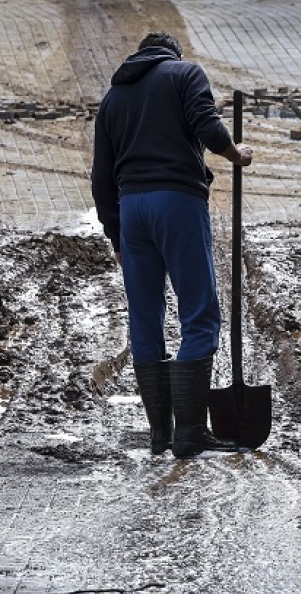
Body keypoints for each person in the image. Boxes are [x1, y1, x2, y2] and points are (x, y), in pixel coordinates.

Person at [91, 31, 254, 459]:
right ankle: (191, 433)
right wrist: (235, 153)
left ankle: (160, 434)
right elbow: (206, 123)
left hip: (131, 212)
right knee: (200, 312)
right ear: (172, 53)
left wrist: (115, 234)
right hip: (176, 202)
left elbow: (100, 176)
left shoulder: (113, 98)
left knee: (145, 318)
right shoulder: (185, 73)